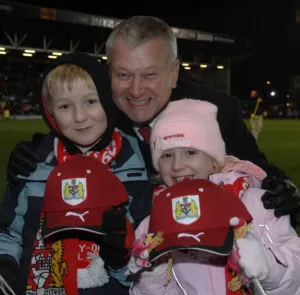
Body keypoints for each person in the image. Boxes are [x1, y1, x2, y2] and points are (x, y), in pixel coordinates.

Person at [6, 16, 300, 225]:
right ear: (109, 74)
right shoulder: (97, 115)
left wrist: (287, 190)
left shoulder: (215, 111)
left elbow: (261, 171)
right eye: (123, 75)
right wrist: (29, 153)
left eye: (149, 75)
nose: (135, 91)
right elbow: (61, 141)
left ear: (173, 74)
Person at [0, 53, 153, 295]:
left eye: (91, 102)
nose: (80, 117)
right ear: (50, 114)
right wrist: (6, 268)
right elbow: (8, 230)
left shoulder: (138, 168)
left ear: (107, 100)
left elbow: (152, 265)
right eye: (65, 106)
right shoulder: (32, 166)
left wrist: (121, 258)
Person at [127, 99, 300, 295]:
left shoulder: (258, 205)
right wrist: (151, 276)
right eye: (166, 156)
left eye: (190, 152)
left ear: (214, 159)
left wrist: (268, 268)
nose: (177, 166)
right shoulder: (154, 223)